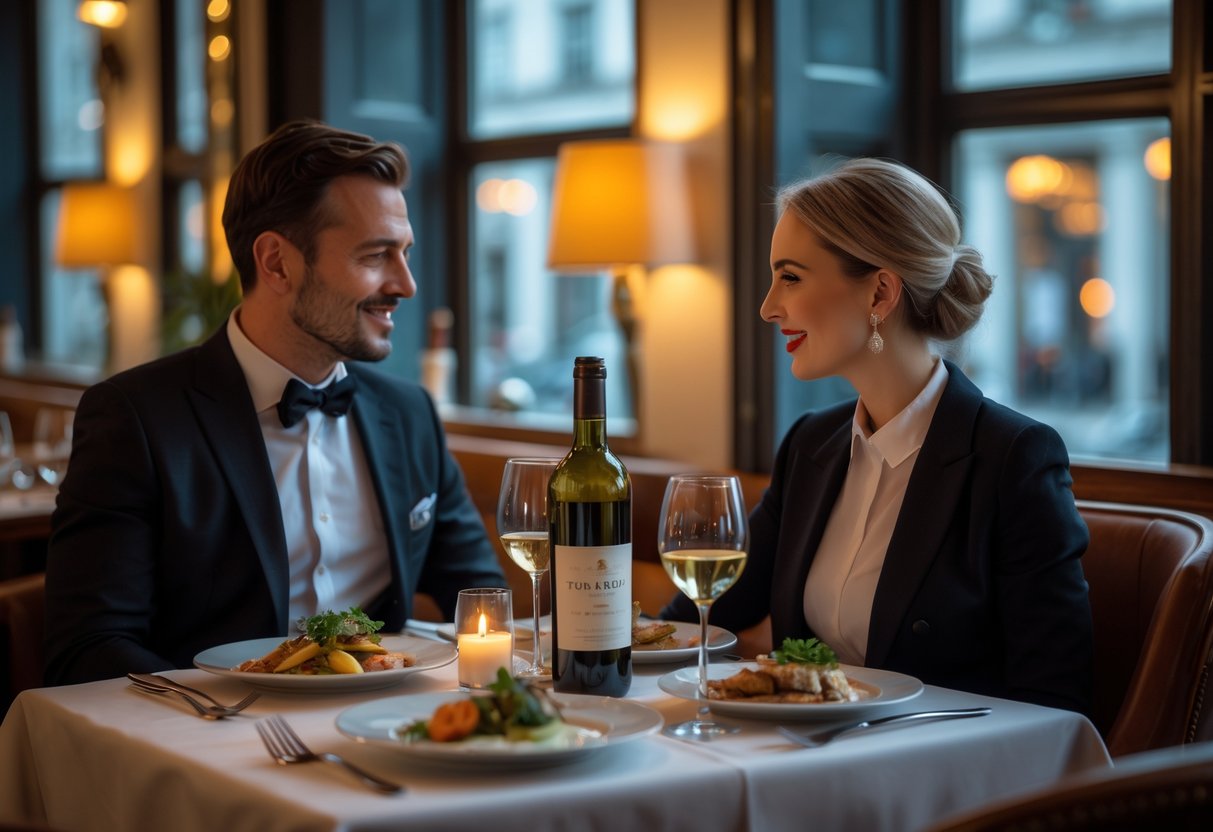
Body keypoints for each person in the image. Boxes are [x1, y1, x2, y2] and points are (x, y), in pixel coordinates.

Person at [44, 120, 507, 685]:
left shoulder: (409, 414)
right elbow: (89, 645)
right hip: (213, 740)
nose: (406, 284)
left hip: (387, 723)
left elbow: (482, 597)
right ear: (277, 263)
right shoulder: (135, 418)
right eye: (376, 256)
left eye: (405, 253)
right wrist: (223, 719)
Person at [662, 158, 1093, 714]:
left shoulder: (1014, 459)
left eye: (790, 277)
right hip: (805, 761)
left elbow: (1056, 701)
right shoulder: (811, 445)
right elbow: (706, 613)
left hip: (947, 783)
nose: (769, 308)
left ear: (880, 294)